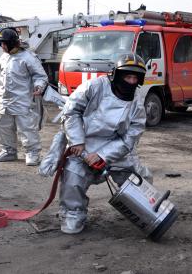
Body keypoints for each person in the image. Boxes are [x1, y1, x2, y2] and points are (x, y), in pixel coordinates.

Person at [58, 53, 152, 234]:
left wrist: (103, 155)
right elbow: (71, 111)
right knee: (73, 176)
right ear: (116, 74)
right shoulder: (94, 87)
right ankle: (73, 214)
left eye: (135, 78)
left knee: (138, 178)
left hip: (117, 149)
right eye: (127, 76)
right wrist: (76, 141)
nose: (131, 81)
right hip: (83, 145)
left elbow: (132, 136)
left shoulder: (137, 101)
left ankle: (147, 209)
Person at [0, 28, 48, 166]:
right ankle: (9, 150)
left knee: (27, 128)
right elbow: (1, 75)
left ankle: (33, 152)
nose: (1, 46)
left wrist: (39, 86)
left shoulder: (28, 58)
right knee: (3, 126)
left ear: (11, 43)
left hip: (23, 100)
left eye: (3, 43)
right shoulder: (3, 57)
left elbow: (40, 76)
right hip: (4, 100)